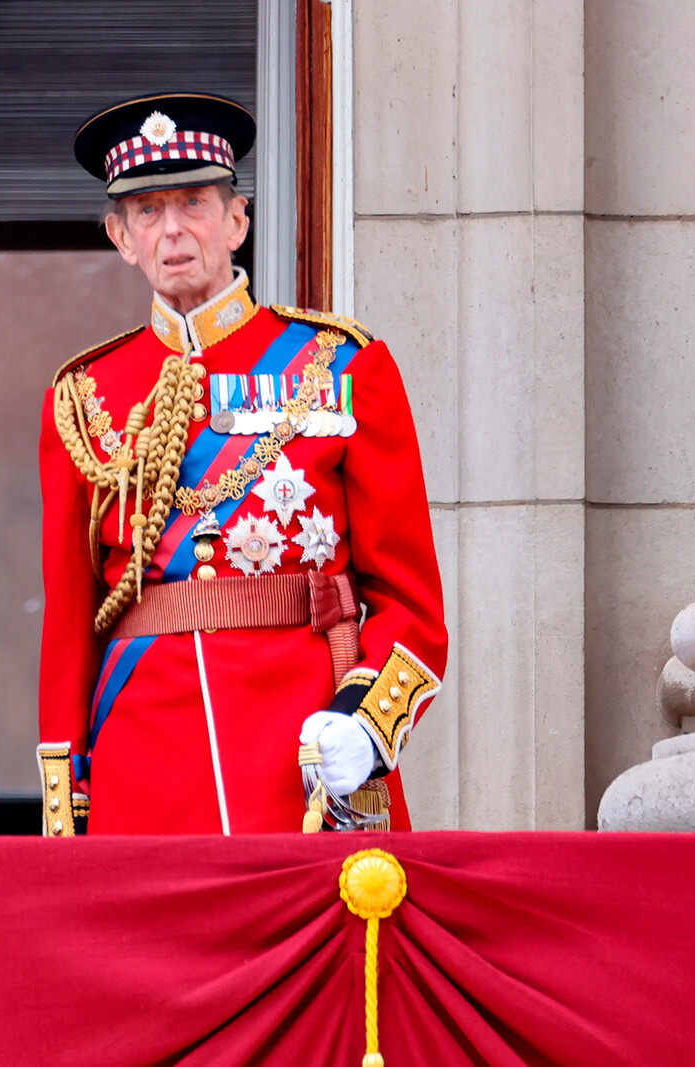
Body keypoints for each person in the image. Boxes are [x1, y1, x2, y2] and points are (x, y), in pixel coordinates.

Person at [37, 94, 447, 836]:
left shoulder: (340, 365)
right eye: (147, 211)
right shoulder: (85, 396)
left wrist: (368, 722)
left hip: (305, 751)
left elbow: (412, 602)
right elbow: (69, 634)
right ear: (120, 236)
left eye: (193, 202)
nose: (172, 230)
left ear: (236, 219)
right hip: (144, 767)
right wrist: (70, 812)